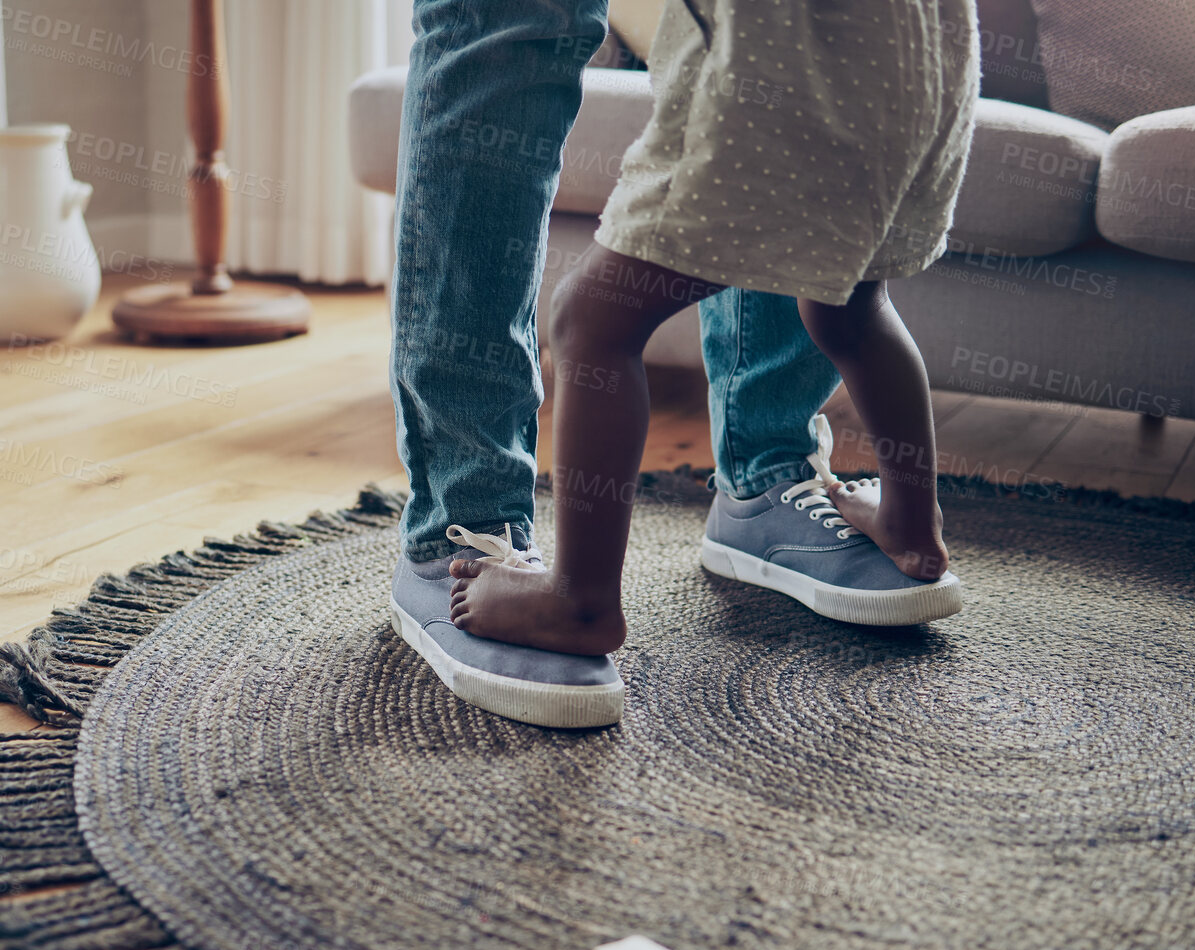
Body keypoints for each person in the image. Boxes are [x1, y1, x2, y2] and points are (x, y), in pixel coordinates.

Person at [388, 0, 965, 729]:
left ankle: (580, 600)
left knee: (592, 322)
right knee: (850, 306)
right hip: (918, 91)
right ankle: (913, 525)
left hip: (764, 91)